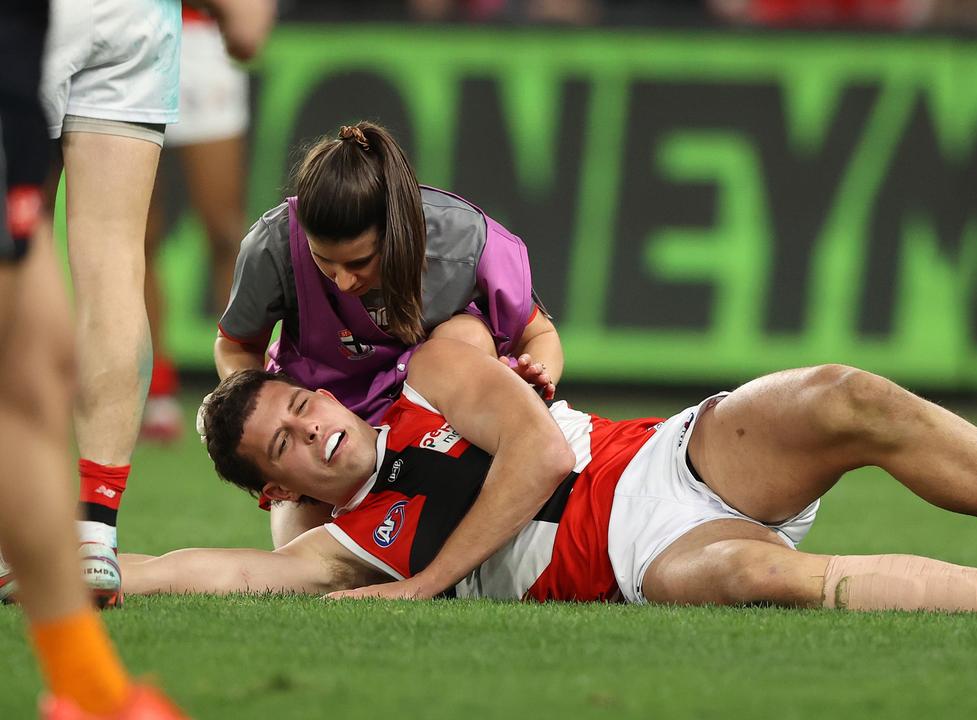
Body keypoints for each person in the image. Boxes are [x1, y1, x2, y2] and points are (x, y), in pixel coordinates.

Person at [124, 339, 977, 616]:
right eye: (281, 444)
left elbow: (533, 416)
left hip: (665, 454)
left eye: (300, 405)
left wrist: (429, 587)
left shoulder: (434, 369)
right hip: (636, 559)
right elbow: (199, 567)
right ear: (283, 486)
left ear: (322, 387)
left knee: (848, 395)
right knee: (753, 578)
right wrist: (72, 562)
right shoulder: (344, 541)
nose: (308, 431)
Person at [0, 0, 268, 716]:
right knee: (116, 262)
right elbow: (248, 27)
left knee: (18, 274)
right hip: (136, 15)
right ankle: (94, 531)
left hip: (34, 20)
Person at [213, 120, 565, 549]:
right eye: (324, 261)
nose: (342, 282)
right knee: (298, 565)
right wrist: (247, 401)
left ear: (396, 229)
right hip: (328, 419)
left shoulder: (466, 240)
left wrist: (534, 380)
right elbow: (236, 345)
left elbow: (539, 334)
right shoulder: (273, 245)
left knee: (465, 337)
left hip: (431, 413)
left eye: (359, 262)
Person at [140, 3, 253, 442]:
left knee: (225, 232)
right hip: (133, 34)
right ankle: (157, 389)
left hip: (205, 40)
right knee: (137, 235)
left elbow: (249, 33)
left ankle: (238, 386)